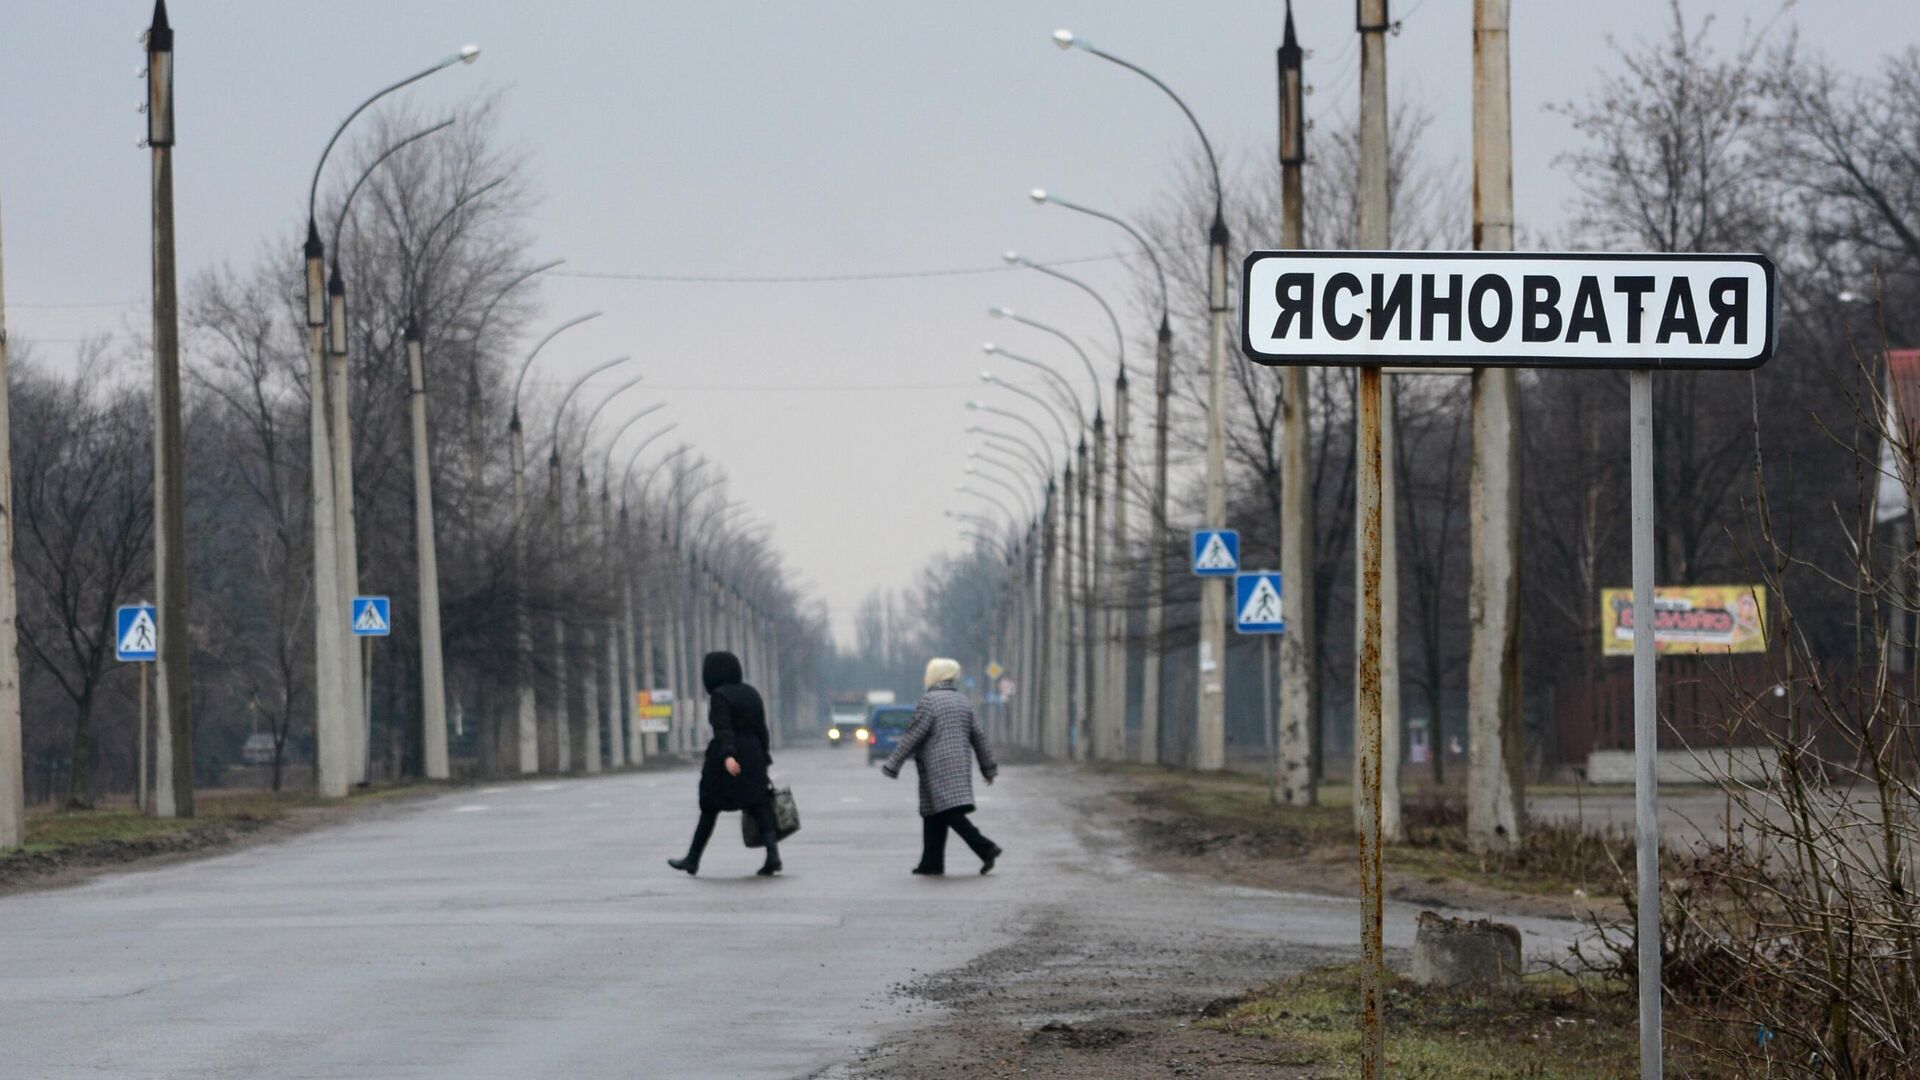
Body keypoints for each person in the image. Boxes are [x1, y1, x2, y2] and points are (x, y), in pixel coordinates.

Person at [882, 658, 1002, 876]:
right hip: (959, 764)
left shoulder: (930, 701)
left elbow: (914, 735)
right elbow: (979, 736)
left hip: (937, 766)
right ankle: (931, 863)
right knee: (933, 813)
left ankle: (985, 848)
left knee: (948, 811)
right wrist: (988, 769)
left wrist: (893, 763)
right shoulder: (963, 701)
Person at [668, 651, 782, 877]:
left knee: (710, 806)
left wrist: (728, 756)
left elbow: (723, 728)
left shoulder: (720, 696)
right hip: (754, 754)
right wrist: (764, 758)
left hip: (730, 756)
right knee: (759, 804)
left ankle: (692, 858)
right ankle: (773, 856)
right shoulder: (751, 693)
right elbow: (762, 729)